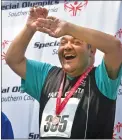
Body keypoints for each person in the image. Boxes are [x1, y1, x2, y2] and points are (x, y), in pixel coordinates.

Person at [5, 6, 122, 139]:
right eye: (63, 42)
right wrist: (30, 28)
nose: (67, 46)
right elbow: (13, 59)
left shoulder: (101, 79)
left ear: (92, 51)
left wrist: (68, 28)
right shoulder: (46, 75)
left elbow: (115, 48)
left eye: (76, 42)